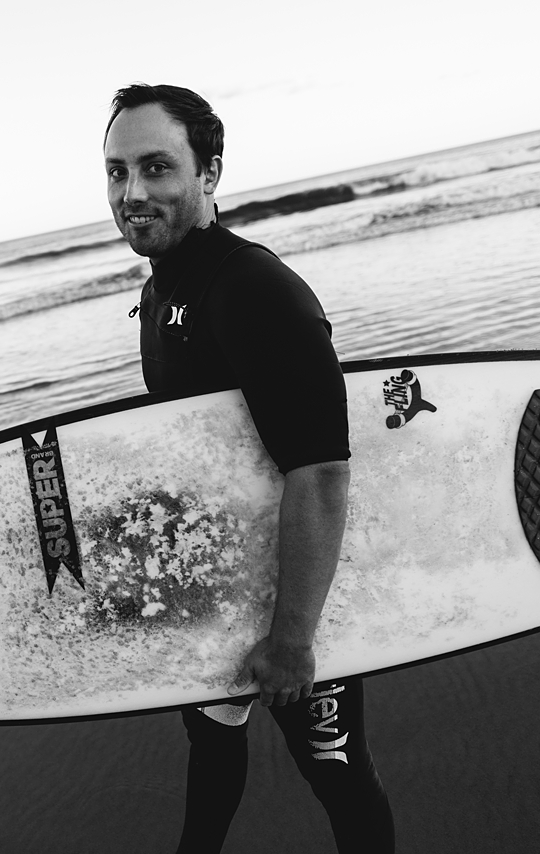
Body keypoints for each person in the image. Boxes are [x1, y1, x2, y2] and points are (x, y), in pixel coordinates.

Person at [103, 85, 394, 852]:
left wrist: (293, 639)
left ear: (210, 173)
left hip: (296, 601)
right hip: (221, 590)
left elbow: (322, 470)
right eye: (116, 171)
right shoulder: (161, 288)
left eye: (157, 167)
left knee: (335, 773)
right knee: (212, 745)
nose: (132, 193)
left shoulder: (250, 287)